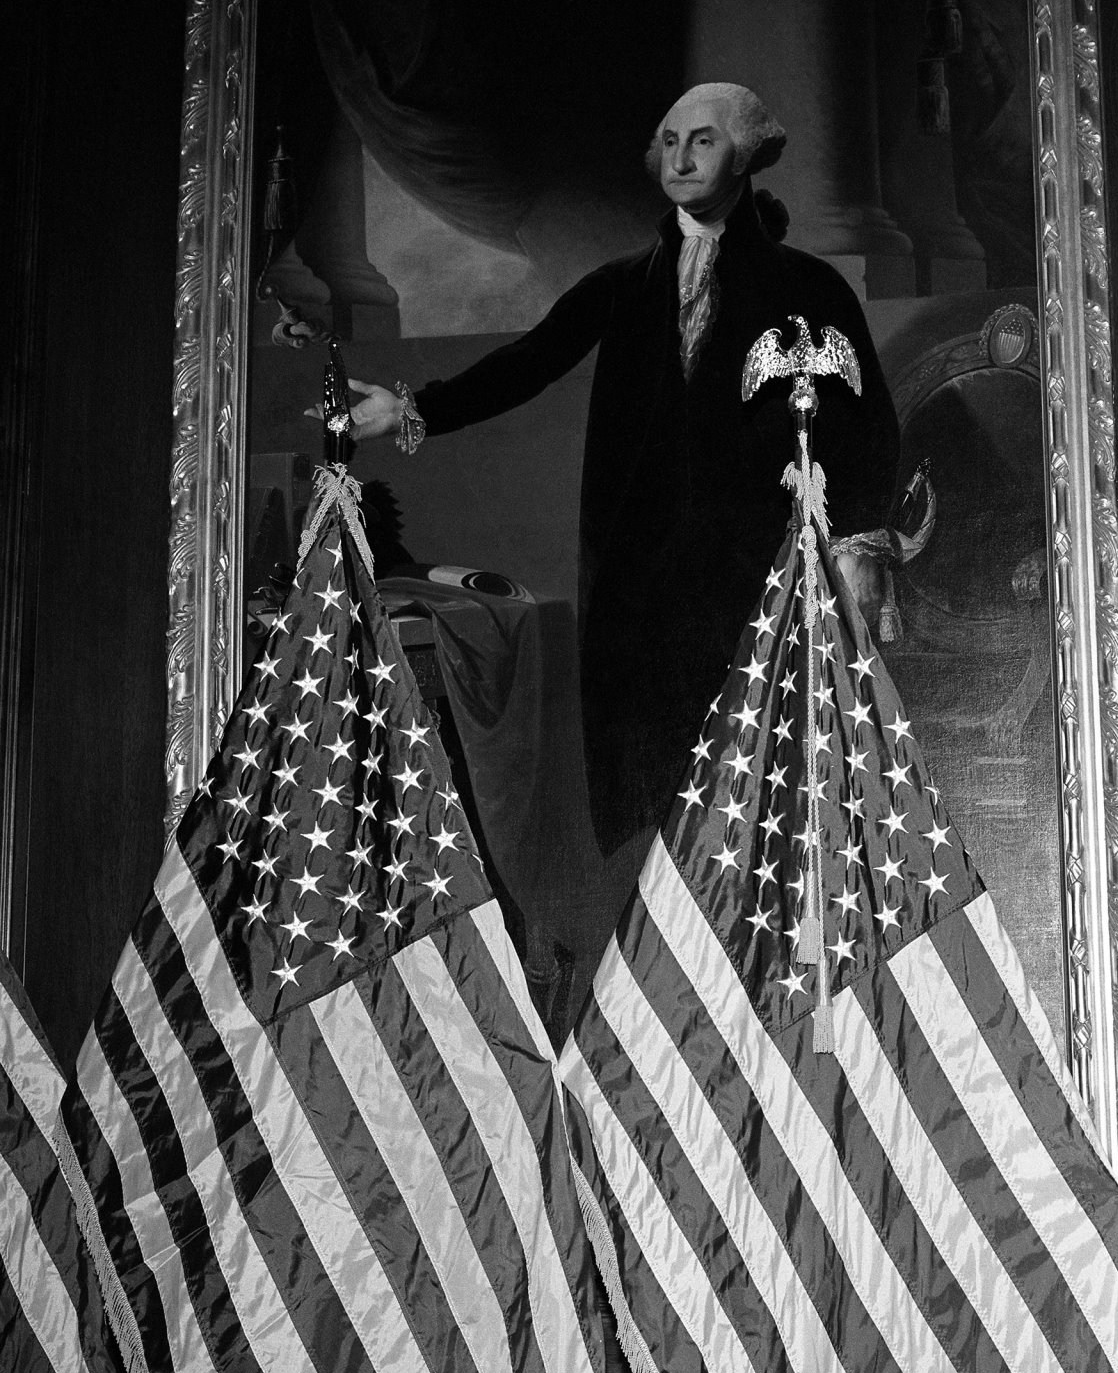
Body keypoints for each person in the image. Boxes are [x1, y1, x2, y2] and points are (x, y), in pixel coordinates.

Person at [328, 82, 901, 857]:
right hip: (644, 606)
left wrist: (859, 558)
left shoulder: (810, 288)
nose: (682, 156)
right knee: (661, 833)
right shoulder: (625, 283)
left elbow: (869, 433)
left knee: (767, 822)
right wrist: (410, 409)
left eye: (702, 139)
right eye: (669, 141)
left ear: (747, 153)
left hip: (759, 595)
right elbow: (529, 360)